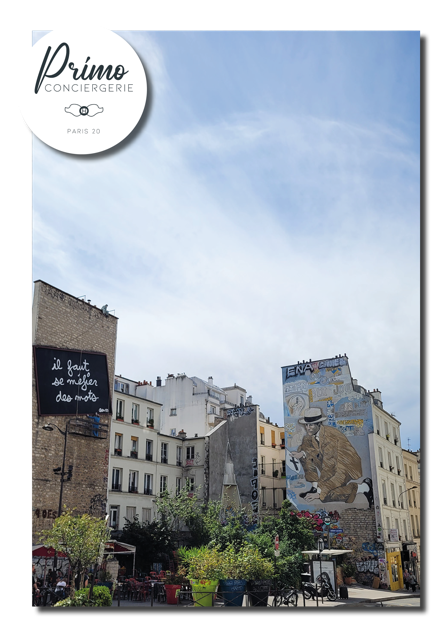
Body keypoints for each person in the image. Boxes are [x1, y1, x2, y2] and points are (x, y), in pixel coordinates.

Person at [290, 408, 374, 507]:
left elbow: (329, 468)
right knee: (303, 451)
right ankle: (314, 486)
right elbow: (307, 449)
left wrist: (320, 492)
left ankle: (364, 487)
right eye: (306, 425)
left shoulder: (330, 437)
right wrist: (302, 454)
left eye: (311, 425)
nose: (308, 428)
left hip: (345, 465)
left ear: (319, 424)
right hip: (329, 463)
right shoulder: (309, 436)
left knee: (325, 496)